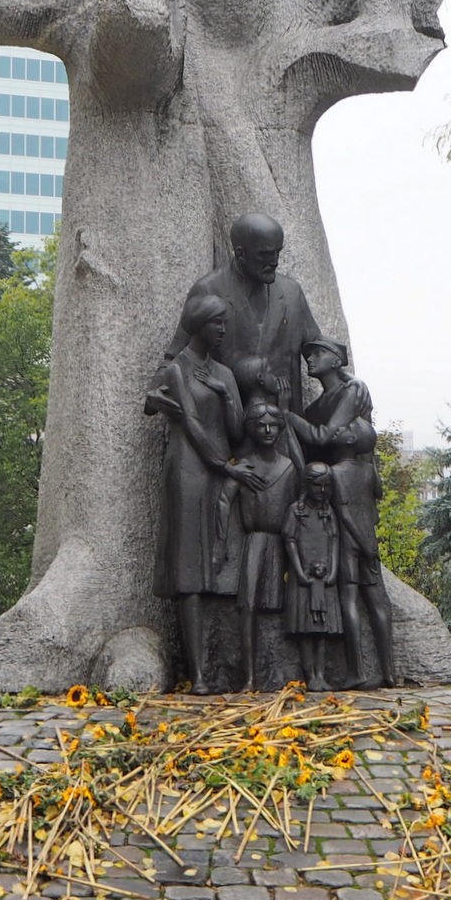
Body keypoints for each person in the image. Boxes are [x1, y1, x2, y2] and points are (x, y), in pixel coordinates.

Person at [145, 292, 251, 693]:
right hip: (190, 471)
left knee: (221, 563)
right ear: (199, 325)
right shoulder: (177, 370)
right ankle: (200, 675)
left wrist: (226, 396)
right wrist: (222, 464)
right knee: (190, 570)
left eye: (226, 323)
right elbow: (189, 421)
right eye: (217, 323)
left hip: (220, 471)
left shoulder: (223, 373)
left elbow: (238, 431)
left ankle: (229, 665)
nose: (223, 330)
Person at [287, 336, 396, 688]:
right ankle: (378, 671)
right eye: (307, 355)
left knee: (358, 593)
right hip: (333, 506)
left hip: (346, 504)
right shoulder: (322, 403)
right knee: (363, 593)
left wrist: (288, 417)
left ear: (335, 359)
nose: (309, 360)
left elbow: (320, 436)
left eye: (316, 354)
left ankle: (372, 671)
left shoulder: (350, 394)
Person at [166, 214, 322, 414]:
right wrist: (161, 390)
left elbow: (318, 350)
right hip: (229, 427)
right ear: (241, 253)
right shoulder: (209, 290)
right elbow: (176, 356)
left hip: (283, 423)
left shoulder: (292, 293)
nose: (274, 261)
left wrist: (347, 388)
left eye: (277, 252)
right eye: (264, 255)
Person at [214, 402, 299, 692]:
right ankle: (249, 677)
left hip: (281, 541)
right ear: (251, 429)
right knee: (248, 605)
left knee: (283, 605)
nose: (267, 431)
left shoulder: (288, 466)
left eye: (272, 425)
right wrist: (221, 540)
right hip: (254, 541)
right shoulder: (244, 465)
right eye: (261, 425)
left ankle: (285, 670)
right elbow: (225, 500)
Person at [283, 462, 342, 691]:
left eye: (327, 486)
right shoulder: (295, 512)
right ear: (307, 486)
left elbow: (335, 540)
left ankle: (321, 674)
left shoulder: (328, 513)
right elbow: (290, 541)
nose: (323, 491)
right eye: (318, 486)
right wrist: (298, 572)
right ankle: (311, 676)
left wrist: (334, 570)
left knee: (322, 631)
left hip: (325, 577)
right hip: (304, 579)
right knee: (306, 630)